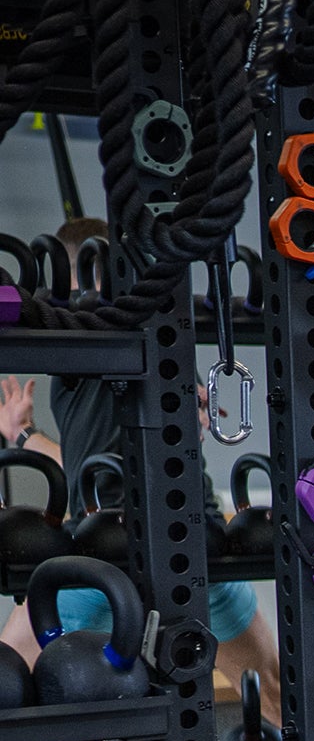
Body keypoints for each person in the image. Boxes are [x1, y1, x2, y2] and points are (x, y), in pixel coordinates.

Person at [0, 218, 280, 698]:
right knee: (276, 693)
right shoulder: (156, 333)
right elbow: (98, 460)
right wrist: (22, 434)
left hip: (97, 558)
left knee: (6, 698)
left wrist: (22, 435)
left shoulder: (89, 340)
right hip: (186, 544)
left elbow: (92, 462)